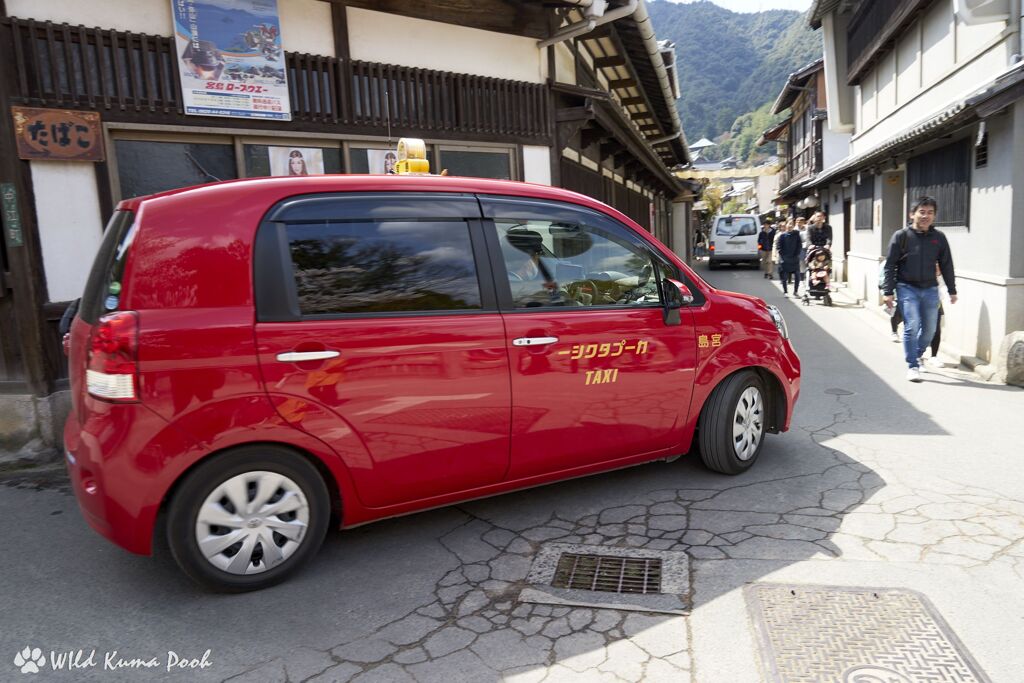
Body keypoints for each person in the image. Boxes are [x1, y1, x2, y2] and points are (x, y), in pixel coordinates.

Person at [882, 196, 957, 382]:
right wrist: (888, 291)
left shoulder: (939, 238)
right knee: (912, 324)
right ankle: (912, 365)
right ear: (912, 214)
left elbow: (947, 264)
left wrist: (952, 289)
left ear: (934, 216)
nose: (926, 216)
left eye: (930, 213)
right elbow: (890, 265)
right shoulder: (901, 236)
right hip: (906, 287)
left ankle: (917, 354)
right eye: (921, 212)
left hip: (931, 288)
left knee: (931, 329)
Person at [777, 221, 803, 296]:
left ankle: (795, 291)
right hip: (785, 259)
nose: (790, 226)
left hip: (794, 258)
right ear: (786, 226)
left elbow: (799, 245)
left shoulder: (796, 234)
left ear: (793, 226)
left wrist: (797, 254)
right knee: (784, 277)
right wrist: (782, 256)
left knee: (797, 275)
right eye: (789, 224)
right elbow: (779, 247)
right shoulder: (782, 236)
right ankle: (785, 292)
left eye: (791, 224)